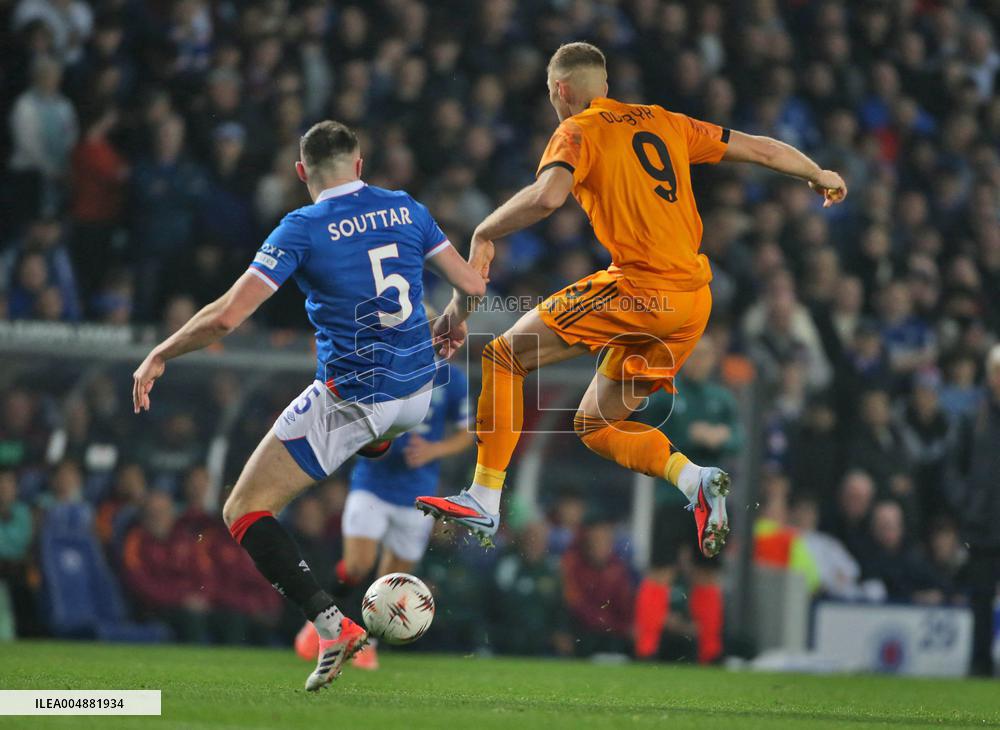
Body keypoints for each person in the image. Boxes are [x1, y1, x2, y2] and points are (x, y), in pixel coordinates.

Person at [418, 42, 847, 558]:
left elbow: (548, 196)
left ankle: (484, 496)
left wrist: (484, 231)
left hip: (641, 290)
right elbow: (759, 148)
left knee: (503, 356)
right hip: (692, 303)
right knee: (596, 424)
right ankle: (695, 481)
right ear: (604, 85)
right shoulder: (665, 121)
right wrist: (817, 172)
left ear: (560, 90)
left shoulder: (576, 130)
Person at [131, 120, 485, 691]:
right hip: (419, 392)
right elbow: (472, 285)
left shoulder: (302, 226)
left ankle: (331, 626)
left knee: (243, 508)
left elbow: (225, 317)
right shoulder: (405, 207)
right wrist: (452, 321)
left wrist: (163, 352)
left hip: (355, 397)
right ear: (360, 164)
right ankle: (377, 438)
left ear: (302, 173)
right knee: (375, 431)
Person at [294, 356, 472, 669]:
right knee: (356, 566)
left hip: (419, 494)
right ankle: (319, 622)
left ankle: (366, 644)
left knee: (390, 583)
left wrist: (434, 450)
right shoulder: (385, 368)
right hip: (372, 484)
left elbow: (466, 432)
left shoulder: (453, 378)